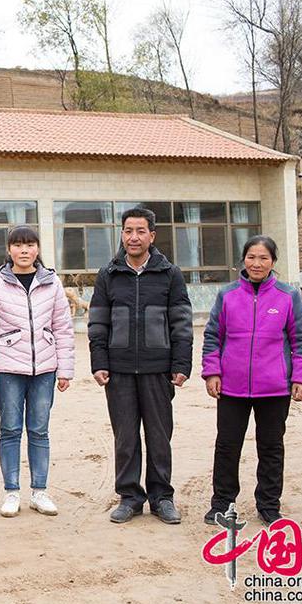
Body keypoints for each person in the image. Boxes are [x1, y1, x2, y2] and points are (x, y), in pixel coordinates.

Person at [88, 207, 193, 525]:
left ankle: (162, 497)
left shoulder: (169, 273)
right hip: (118, 370)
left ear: (152, 235)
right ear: (122, 234)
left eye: (140, 231)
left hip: (157, 368)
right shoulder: (109, 274)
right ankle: (130, 497)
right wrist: (99, 361)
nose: (133, 237)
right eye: (128, 230)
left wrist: (181, 363)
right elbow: (97, 322)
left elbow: (182, 323)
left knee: (160, 436)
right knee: (125, 436)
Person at [202, 235, 302, 526]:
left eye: (263, 258)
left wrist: (301, 377)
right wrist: (212, 371)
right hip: (232, 388)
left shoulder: (288, 296)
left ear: (273, 262)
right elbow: (213, 335)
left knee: (271, 446)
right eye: (251, 257)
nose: (256, 263)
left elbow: (301, 340)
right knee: (227, 445)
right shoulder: (227, 295)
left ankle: (268, 505)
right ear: (243, 260)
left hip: (274, 388)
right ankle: (222, 503)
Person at [0, 226, 74, 518]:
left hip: (44, 369)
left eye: (29, 244)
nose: (24, 250)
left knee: (39, 431)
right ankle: (12, 492)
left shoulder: (51, 282)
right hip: (7, 369)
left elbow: (63, 328)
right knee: (10, 430)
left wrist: (65, 369)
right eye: (18, 245)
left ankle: (40, 491)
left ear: (38, 249)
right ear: (9, 250)